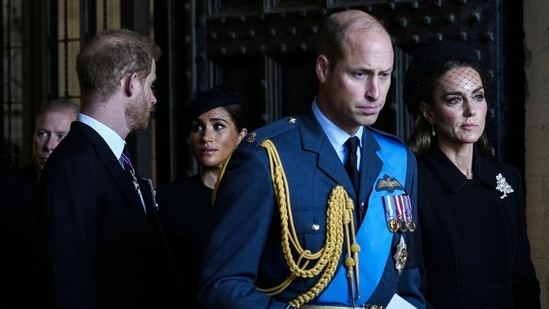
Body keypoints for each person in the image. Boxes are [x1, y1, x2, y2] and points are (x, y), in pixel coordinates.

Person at [198, 10, 425, 308]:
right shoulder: (266, 158)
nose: (375, 93)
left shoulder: (399, 159)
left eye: (384, 75)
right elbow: (222, 288)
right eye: (360, 74)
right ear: (323, 69)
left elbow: (408, 285)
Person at [35, 29, 183, 309]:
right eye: (151, 86)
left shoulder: (111, 155)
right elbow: (69, 286)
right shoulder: (74, 166)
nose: (153, 99)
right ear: (132, 82)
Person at [403, 40, 541, 308]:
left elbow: (523, 279)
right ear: (428, 111)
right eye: (455, 99)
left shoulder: (507, 178)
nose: (471, 110)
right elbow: (409, 286)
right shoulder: (412, 181)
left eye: (478, 96)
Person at [156, 84, 248, 308]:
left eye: (218, 126)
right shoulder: (168, 199)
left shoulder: (255, 198)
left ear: (241, 136)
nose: (206, 137)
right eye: (197, 127)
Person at [0, 99, 78, 308]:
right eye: (43, 133)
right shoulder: (6, 192)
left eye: (60, 136)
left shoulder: (89, 190)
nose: (49, 145)